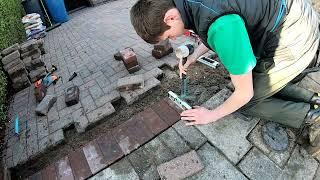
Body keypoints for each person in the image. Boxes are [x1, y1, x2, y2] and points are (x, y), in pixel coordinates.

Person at [130, 0, 320, 156]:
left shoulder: (222, 25)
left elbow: (244, 93)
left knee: (247, 101)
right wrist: (194, 56)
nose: (172, 40)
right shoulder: (185, 5)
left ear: (170, 17)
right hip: (291, 12)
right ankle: (313, 99)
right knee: (254, 81)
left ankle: (311, 116)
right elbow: (207, 24)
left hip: (297, 36)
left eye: (169, 35)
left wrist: (210, 115)